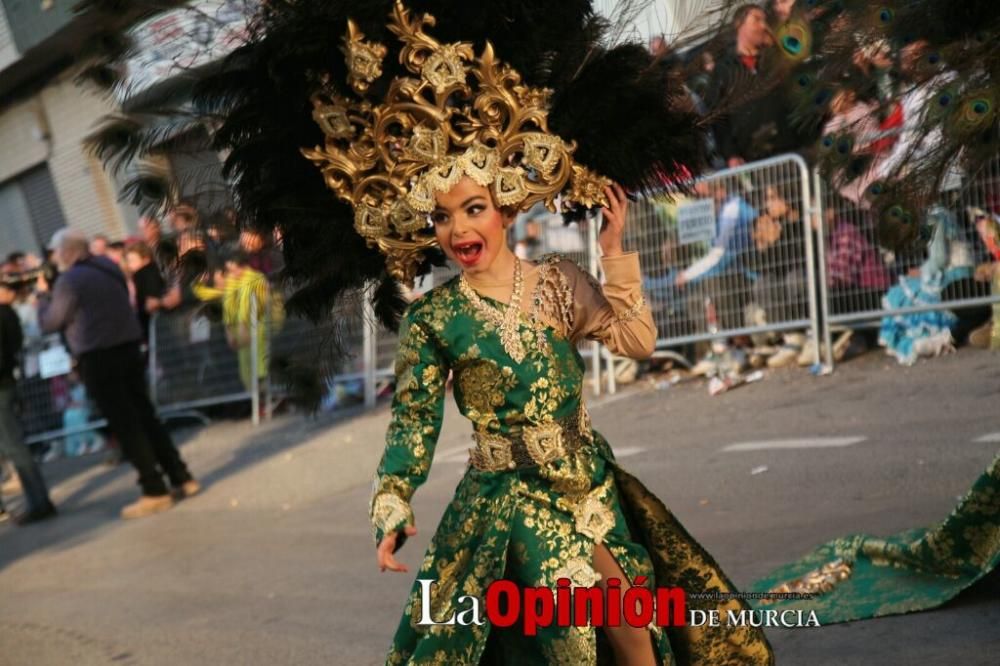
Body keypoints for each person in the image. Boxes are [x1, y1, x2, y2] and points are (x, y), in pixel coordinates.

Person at [35, 229, 199, 519]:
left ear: (69, 251)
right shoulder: (108, 266)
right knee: (146, 415)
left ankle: (154, 490)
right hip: (128, 348)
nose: (56, 257)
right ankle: (181, 477)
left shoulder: (70, 280)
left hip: (99, 356)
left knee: (127, 425)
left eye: (58, 252)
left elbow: (52, 322)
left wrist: (42, 297)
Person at [0, 278, 57, 525]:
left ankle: (39, 502)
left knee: (14, 447)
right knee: (13, 446)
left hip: (2, 386)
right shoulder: (8, 313)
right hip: (8, 383)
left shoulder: (5, 314)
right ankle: (38, 501)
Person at [124, 241, 166, 344]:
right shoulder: (154, 271)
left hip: (154, 324)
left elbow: (150, 299)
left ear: (146, 259)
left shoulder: (143, 275)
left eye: (132, 260)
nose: (129, 265)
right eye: (128, 261)